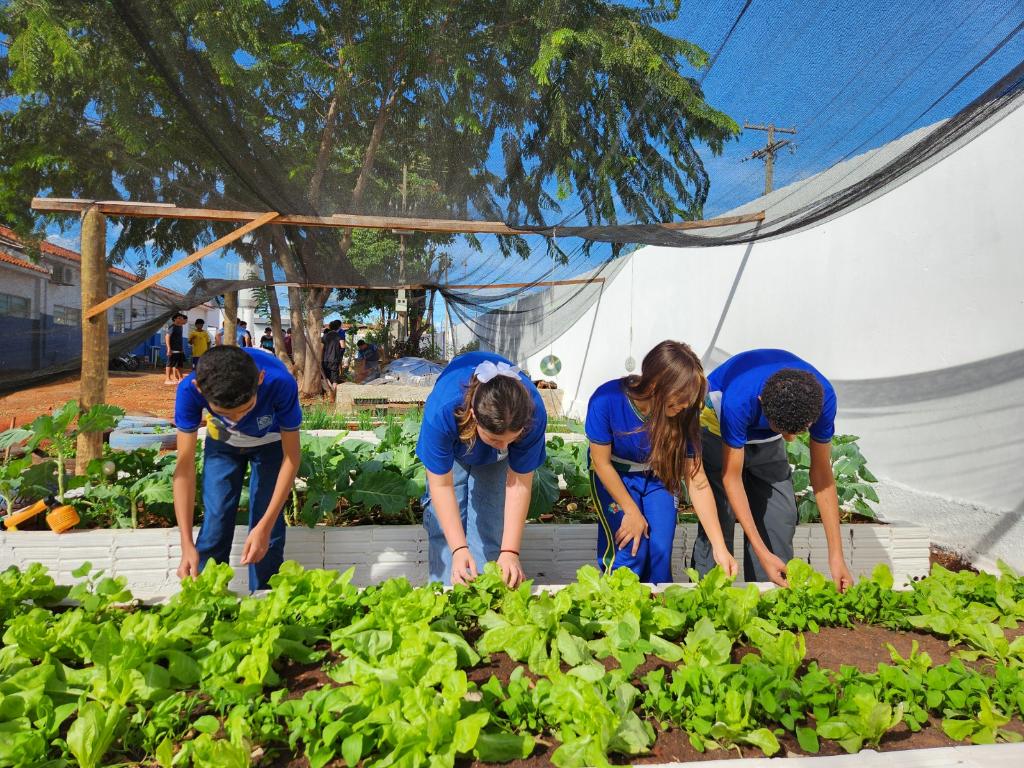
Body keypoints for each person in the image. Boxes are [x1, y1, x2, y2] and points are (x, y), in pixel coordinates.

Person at [692, 348, 854, 590]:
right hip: (716, 427)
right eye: (783, 431)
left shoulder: (823, 399)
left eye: (796, 434)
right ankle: (711, 595)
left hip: (767, 440)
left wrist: (836, 556)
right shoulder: (739, 398)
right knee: (720, 515)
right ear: (762, 403)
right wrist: (762, 552)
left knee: (780, 516)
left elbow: (822, 475)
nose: (790, 440)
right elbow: (731, 478)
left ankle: (770, 594)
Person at [586, 341, 737, 583]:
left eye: (688, 402)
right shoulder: (606, 400)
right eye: (678, 400)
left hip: (658, 476)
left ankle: (657, 614)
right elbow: (600, 462)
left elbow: (697, 481)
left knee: (660, 553)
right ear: (655, 384)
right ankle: (618, 612)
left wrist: (720, 548)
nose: (684, 407)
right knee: (630, 552)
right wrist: (632, 511)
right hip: (615, 475)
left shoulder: (683, 412)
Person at [172, 345, 301, 591]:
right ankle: (208, 598)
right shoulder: (189, 389)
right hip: (222, 445)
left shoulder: (280, 382)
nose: (237, 420)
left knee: (269, 531)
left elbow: (292, 457)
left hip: (271, 444)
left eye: (246, 409)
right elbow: (184, 467)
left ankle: (265, 601)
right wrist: (186, 543)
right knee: (216, 520)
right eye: (225, 414)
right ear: (200, 389)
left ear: (260, 380)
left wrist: (263, 527)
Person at [417, 351, 547, 588]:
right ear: (474, 416)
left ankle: (486, 593)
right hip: (455, 442)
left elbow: (519, 483)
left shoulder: (533, 412)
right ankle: (445, 592)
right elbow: (441, 484)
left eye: (511, 440)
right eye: (496, 440)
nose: (505, 447)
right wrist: (458, 548)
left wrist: (510, 552)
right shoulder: (443, 409)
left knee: (491, 519)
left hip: (490, 441)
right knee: (445, 530)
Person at [164, 312, 188, 385]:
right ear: (174, 319)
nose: (181, 319)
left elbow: (179, 339)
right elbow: (167, 336)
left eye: (181, 318)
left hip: (179, 349)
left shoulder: (180, 327)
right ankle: (167, 379)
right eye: (179, 318)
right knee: (170, 364)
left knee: (179, 365)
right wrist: (169, 348)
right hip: (173, 349)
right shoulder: (173, 327)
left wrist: (182, 349)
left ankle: (180, 378)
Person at [320, 319, 345, 389]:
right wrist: (340, 356)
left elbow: (321, 349)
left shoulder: (324, 336)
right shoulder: (339, 336)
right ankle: (334, 393)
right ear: (339, 327)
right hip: (334, 360)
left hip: (325, 360)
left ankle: (329, 392)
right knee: (335, 379)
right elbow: (343, 346)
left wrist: (321, 359)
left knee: (325, 377)